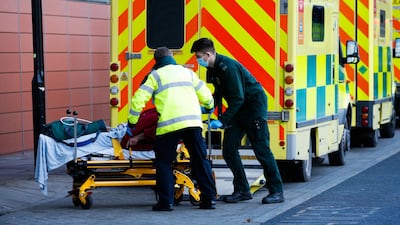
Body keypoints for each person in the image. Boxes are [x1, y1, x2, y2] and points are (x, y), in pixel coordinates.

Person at [190, 38, 284, 204]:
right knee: (228, 149)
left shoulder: (228, 68)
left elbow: (238, 97)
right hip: (238, 110)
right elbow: (219, 93)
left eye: (199, 56)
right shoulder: (212, 69)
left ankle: (276, 191)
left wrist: (223, 120)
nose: (197, 60)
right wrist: (209, 107)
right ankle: (242, 189)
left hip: (253, 108)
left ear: (208, 54)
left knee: (261, 150)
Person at [125, 46, 217, 211]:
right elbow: (206, 94)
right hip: (193, 124)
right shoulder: (187, 72)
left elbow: (138, 99)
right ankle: (209, 199)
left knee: (164, 162)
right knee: (200, 159)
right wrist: (209, 107)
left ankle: (166, 202)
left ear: (157, 61)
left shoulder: (155, 75)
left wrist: (132, 122)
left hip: (169, 125)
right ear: (171, 57)